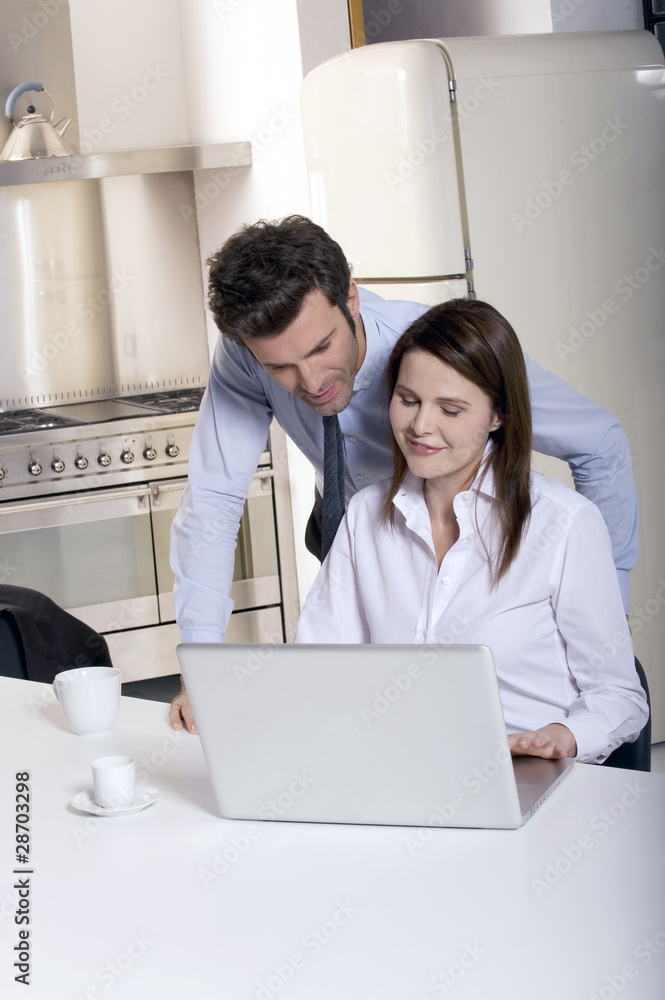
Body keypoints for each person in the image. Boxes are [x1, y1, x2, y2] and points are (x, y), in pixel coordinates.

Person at [169, 216, 638, 734]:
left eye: (322, 348)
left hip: (463, 534)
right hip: (361, 533)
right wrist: (202, 666)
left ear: (350, 299)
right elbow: (213, 500)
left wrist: (608, 606)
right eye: (280, 368)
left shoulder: (433, 355)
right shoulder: (246, 354)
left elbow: (601, 444)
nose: (311, 383)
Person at [294, 299, 647, 763]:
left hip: (529, 777)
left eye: (451, 410)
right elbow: (318, 666)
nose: (421, 426)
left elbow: (620, 696)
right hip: (400, 771)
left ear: (498, 415)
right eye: (408, 400)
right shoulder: (365, 515)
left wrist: (563, 736)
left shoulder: (565, 525)